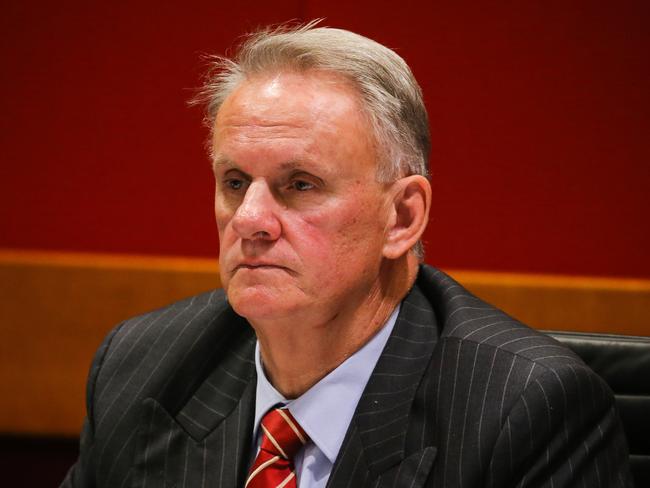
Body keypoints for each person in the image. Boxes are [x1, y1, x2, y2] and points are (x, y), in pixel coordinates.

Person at [62, 22, 632, 488]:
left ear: (403, 217)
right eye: (235, 182)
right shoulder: (140, 369)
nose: (250, 220)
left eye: (300, 185)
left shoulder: (525, 412)